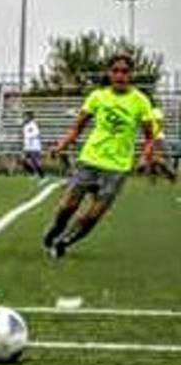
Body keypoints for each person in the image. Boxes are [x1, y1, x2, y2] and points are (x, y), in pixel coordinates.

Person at [43, 54, 155, 259]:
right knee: (68, 205)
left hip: (118, 168)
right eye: (116, 71)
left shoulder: (141, 101)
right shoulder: (97, 96)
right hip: (90, 160)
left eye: (125, 71)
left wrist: (144, 158)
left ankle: (64, 242)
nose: (120, 75)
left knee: (94, 215)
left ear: (131, 74)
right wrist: (61, 146)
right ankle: (57, 228)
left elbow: (150, 137)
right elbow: (77, 128)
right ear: (109, 73)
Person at [145, 105, 177, 183]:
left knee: (158, 158)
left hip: (158, 138)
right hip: (154, 138)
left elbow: (160, 124)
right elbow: (158, 125)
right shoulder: (150, 112)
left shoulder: (154, 111)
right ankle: (168, 175)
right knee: (154, 158)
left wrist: (154, 135)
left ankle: (171, 174)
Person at [21, 111, 46, 181]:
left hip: (34, 146)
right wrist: (24, 145)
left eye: (26, 116)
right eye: (24, 116)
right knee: (24, 160)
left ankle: (41, 175)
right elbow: (25, 136)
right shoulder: (25, 126)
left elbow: (37, 133)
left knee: (35, 161)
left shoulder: (34, 124)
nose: (24, 118)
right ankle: (34, 174)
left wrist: (29, 137)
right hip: (27, 146)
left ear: (30, 117)